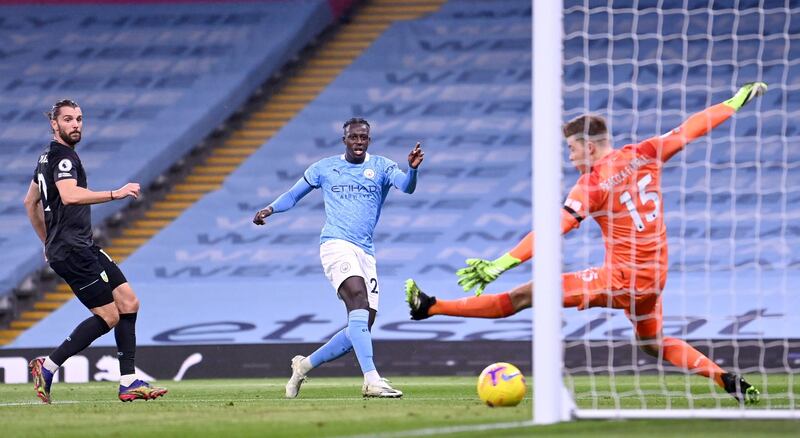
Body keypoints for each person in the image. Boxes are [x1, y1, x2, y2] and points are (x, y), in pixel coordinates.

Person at [405, 83, 768, 404]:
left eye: (572, 149)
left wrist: (502, 263)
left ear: (589, 146)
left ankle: (431, 307)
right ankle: (724, 378)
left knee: (524, 295)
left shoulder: (592, 185)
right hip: (654, 279)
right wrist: (733, 102)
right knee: (652, 344)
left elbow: (553, 229)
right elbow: (691, 129)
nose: (570, 157)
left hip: (621, 279)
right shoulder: (645, 153)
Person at [253, 118, 424, 398]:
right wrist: (270, 209)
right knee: (357, 299)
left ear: (369, 140)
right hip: (335, 244)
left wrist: (413, 170)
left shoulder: (381, 166)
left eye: (364, 138)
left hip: (365, 251)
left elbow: (406, 186)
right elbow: (294, 195)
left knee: (360, 326)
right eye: (354, 137)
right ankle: (371, 379)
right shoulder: (324, 168)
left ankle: (303, 366)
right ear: (344, 140)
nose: (359, 142)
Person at [24, 99, 167, 403]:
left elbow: (29, 203)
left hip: (81, 245)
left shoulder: (44, 159)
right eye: (67, 120)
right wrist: (116, 193)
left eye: (78, 119)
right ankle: (47, 367)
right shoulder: (62, 158)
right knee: (110, 316)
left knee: (129, 301)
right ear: (54, 124)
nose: (75, 124)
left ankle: (128, 381)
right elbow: (69, 194)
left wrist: (46, 241)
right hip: (73, 251)